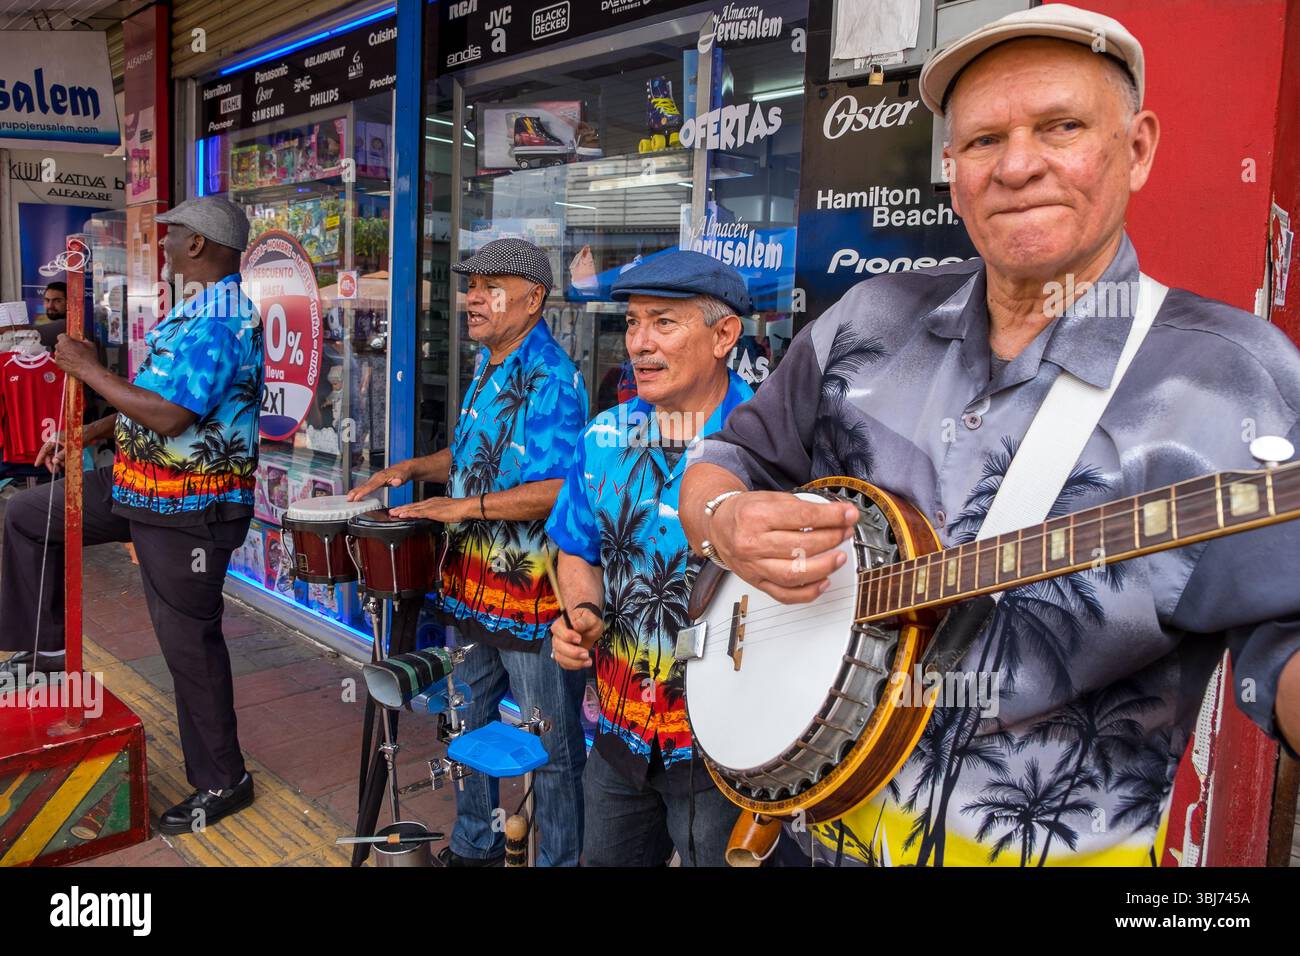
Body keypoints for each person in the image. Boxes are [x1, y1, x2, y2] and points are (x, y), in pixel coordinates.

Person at [680, 3, 1300, 866]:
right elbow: (730, 457)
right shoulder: (868, 318)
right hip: (805, 838)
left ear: (1139, 147)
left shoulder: (1234, 378)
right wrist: (726, 522)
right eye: (982, 141)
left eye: (1062, 127)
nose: (1017, 166)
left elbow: (1286, 639)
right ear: (950, 167)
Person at [0, 196, 264, 834]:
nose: (164, 244)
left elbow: (173, 417)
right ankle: (38, 657)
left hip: (190, 509)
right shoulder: (196, 307)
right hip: (136, 487)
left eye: (171, 235)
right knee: (27, 515)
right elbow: (153, 399)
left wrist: (88, 368)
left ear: (197, 245)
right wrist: (87, 434)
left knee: (188, 647)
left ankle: (224, 780)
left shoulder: (224, 318)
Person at [349, 238, 589, 866]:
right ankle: (476, 843)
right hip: (474, 587)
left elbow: (560, 486)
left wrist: (460, 508)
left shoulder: (552, 377)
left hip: (534, 597)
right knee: (469, 717)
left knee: (551, 744)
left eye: (489, 286)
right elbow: (481, 453)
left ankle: (557, 861)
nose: (471, 298)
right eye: (470, 284)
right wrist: (412, 467)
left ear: (532, 299)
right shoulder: (490, 362)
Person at [547, 251, 752, 866]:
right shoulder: (605, 436)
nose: (639, 343)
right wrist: (581, 611)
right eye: (634, 322)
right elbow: (575, 549)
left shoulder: (769, 439)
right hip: (618, 734)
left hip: (727, 751)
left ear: (723, 335)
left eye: (663, 322)